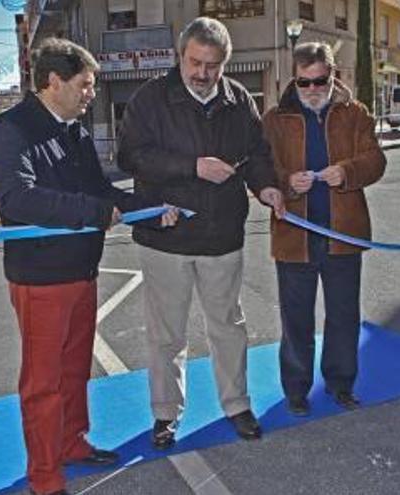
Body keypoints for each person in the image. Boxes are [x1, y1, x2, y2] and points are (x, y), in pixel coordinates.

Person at [0, 38, 177, 495]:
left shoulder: (75, 131)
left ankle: (72, 443)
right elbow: (16, 198)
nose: (92, 93)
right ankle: (46, 479)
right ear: (54, 82)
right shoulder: (11, 130)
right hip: (41, 280)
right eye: (85, 85)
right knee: (42, 384)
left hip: (81, 272)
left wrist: (149, 208)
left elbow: (102, 192)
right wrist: (92, 213)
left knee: (73, 373)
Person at [117, 17, 285, 449]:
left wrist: (266, 186)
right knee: (166, 335)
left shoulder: (239, 99)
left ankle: (237, 404)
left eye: (213, 65)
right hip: (164, 239)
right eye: (195, 62)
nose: (203, 74)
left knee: (229, 327)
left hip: (222, 237)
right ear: (180, 55)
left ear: (225, 63)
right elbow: (130, 156)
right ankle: (165, 415)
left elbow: (257, 154)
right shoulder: (149, 99)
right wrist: (192, 167)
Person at [262, 42, 386, 416]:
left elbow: (376, 161)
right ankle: (296, 390)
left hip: (343, 235)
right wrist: (285, 183)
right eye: (305, 83)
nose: (313, 90)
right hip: (293, 238)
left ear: (334, 75)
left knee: (344, 316)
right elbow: (261, 172)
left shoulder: (356, 114)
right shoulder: (273, 120)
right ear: (293, 80)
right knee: (296, 319)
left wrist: (347, 172)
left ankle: (341, 384)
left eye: (321, 81)